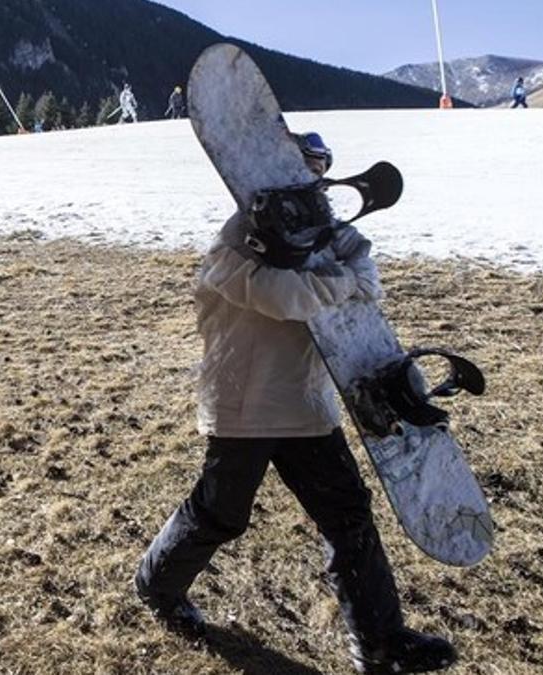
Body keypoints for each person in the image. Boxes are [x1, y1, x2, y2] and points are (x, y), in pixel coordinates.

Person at [134, 132, 458, 674]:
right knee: (220, 514)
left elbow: (366, 284)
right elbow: (283, 296)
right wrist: (340, 281)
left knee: (349, 516)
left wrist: (339, 277)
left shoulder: (333, 239)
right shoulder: (236, 239)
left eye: (317, 171)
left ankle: (380, 642)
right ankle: (157, 585)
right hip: (245, 404)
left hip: (308, 404)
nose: (310, 183)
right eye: (298, 169)